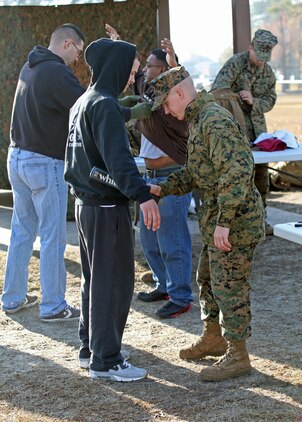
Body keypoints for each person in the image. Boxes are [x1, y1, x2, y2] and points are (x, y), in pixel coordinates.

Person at [148, 66, 265, 381]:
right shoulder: (199, 120)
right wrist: (163, 188)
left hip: (235, 222)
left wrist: (225, 221)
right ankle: (214, 338)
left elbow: (238, 170)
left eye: (166, 103)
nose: (166, 111)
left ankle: (238, 356)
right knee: (208, 278)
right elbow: (199, 171)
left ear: (181, 94)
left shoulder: (213, 121)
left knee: (229, 286)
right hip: (220, 220)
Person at [64, 38, 160, 382]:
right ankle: (107, 359)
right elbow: (118, 162)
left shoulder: (84, 102)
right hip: (106, 207)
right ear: (116, 69)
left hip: (85, 205)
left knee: (94, 280)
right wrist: (142, 193)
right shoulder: (103, 105)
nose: (132, 79)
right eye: (131, 72)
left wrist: (130, 110)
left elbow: (105, 119)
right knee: (114, 282)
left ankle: (91, 348)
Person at [105, 24, 193, 319]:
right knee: (150, 237)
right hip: (150, 179)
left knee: (173, 240)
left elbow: (185, 82)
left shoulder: (175, 96)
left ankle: (181, 296)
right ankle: (163, 285)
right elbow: (133, 79)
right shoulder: (147, 91)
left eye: (150, 67)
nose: (144, 71)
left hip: (172, 177)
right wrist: (119, 43)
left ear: (163, 68)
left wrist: (175, 62)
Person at [1, 23, 86, 321]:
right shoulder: (57, 73)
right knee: (52, 235)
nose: (77, 60)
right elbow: (87, 106)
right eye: (78, 51)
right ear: (66, 43)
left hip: (17, 158)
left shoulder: (30, 66)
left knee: (22, 232)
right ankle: (53, 305)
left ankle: (12, 298)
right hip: (44, 162)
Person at [210, 29, 278, 235]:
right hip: (236, 132)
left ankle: (260, 220)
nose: (261, 61)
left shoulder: (268, 73)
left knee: (261, 177)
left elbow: (271, 100)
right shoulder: (235, 65)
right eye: (258, 56)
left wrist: (254, 101)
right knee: (239, 176)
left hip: (258, 134)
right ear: (250, 48)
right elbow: (218, 92)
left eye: (265, 57)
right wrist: (240, 99)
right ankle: (235, 224)